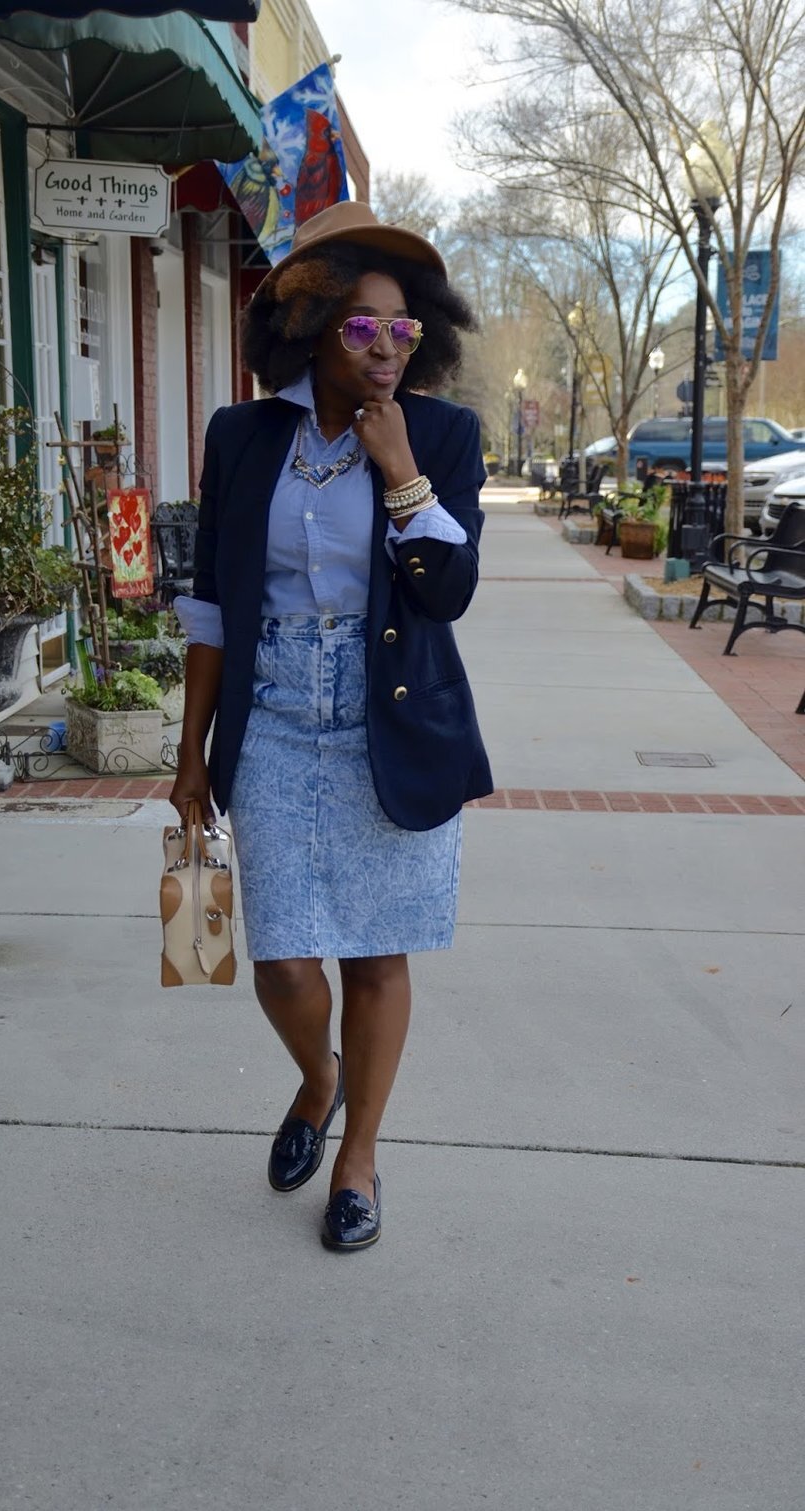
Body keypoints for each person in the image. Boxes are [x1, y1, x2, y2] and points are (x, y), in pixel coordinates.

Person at [170, 201, 492, 1253]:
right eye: (361, 325)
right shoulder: (243, 434)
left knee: (375, 958)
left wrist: (400, 470)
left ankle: (358, 1155)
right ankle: (321, 1077)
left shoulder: (442, 433)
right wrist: (188, 757)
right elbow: (214, 603)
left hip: (388, 718)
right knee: (281, 961)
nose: (386, 345)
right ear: (308, 323)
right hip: (273, 714)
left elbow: (446, 592)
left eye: (403, 328)